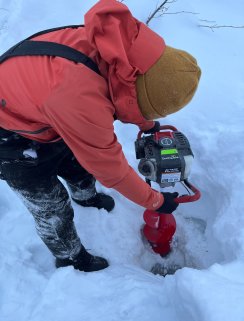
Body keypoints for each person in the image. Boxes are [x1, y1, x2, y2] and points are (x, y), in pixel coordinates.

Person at [0, 0, 201, 272]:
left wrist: (145, 123)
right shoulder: (80, 98)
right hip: (8, 135)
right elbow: (110, 169)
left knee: (75, 164)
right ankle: (71, 257)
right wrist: (156, 201)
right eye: (146, 106)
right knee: (51, 207)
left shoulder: (118, 47)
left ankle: (86, 198)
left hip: (41, 109)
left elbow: (128, 89)